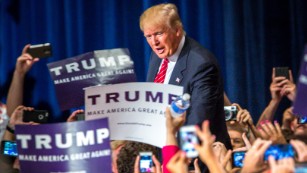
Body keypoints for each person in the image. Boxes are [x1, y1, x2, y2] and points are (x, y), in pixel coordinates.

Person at [140, 4, 231, 171]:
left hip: (195, 162)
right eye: (148, 36)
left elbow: (198, 121)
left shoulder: (202, 64)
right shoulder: (157, 55)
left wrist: (178, 161)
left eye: (159, 34)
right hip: (165, 154)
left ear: (177, 30)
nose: (154, 42)